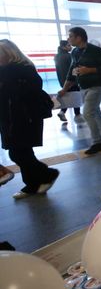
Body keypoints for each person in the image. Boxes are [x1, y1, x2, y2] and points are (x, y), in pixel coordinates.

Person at [0, 39, 59, 199]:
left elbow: (21, 95)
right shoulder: (13, 70)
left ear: (8, 54)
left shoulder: (19, 70)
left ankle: (47, 174)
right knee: (21, 152)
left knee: (18, 153)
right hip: (13, 118)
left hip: (23, 119)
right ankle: (33, 183)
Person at [59, 27, 101, 155]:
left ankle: (97, 142)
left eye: (71, 36)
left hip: (96, 86)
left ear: (79, 37)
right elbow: (72, 72)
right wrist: (64, 89)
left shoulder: (96, 50)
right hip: (83, 86)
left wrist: (89, 70)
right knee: (96, 112)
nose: (69, 39)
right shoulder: (74, 52)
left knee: (87, 113)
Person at [54, 40, 82, 122]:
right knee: (76, 96)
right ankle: (77, 115)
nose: (70, 47)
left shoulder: (57, 56)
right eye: (68, 45)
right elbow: (74, 69)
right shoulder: (69, 56)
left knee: (67, 96)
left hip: (62, 81)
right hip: (71, 81)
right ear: (64, 47)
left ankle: (62, 112)